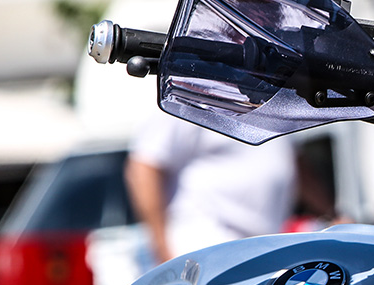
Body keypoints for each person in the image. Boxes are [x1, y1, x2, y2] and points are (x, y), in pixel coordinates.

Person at [125, 111, 298, 265]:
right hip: (204, 245)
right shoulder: (186, 95)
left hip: (261, 246)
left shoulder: (277, 98)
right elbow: (144, 167)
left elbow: (293, 159)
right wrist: (163, 253)